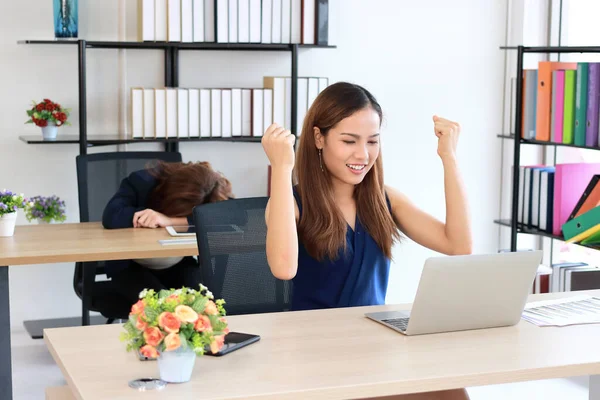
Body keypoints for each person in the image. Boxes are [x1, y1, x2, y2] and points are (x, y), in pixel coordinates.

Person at [261, 82, 472, 400]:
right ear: (319, 138)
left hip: (373, 345)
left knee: (450, 391)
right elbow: (283, 268)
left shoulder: (386, 200)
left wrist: (449, 157)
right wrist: (281, 166)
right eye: (349, 141)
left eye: (372, 141)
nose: (363, 154)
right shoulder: (291, 203)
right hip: (313, 354)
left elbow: (458, 245)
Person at [102, 160, 234, 308]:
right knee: (163, 308)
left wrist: (171, 221)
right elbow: (111, 216)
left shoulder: (210, 188)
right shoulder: (143, 181)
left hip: (177, 263)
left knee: (203, 304)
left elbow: (236, 217)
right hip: (131, 266)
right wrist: (149, 216)